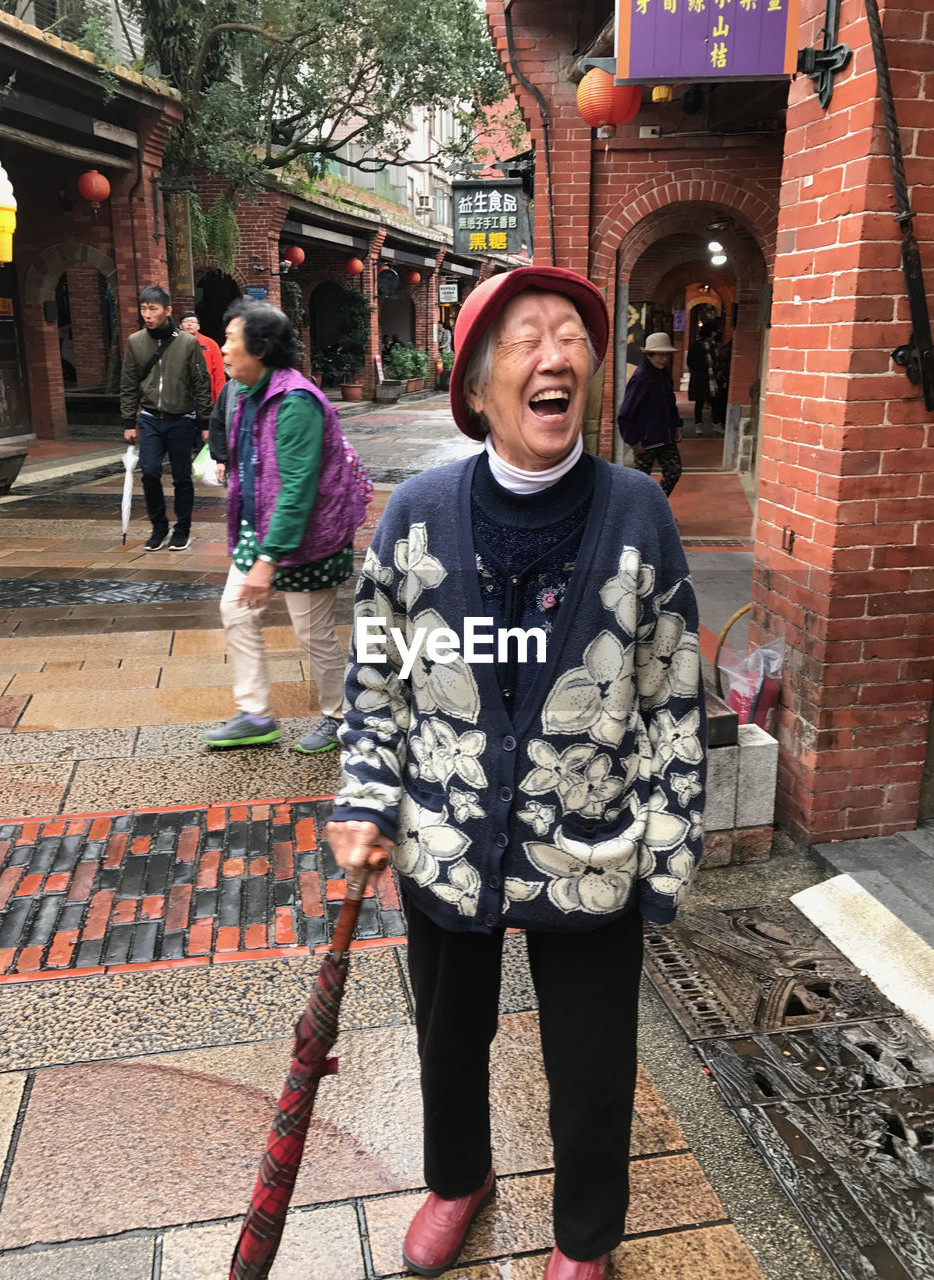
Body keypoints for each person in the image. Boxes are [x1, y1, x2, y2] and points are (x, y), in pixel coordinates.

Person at [326, 266, 706, 1280]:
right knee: (450, 1030)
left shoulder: (636, 513)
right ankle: (459, 1177)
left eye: (573, 334)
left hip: (591, 846)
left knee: (591, 1059)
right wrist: (366, 793)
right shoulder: (417, 514)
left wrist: (668, 850)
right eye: (526, 337)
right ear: (479, 387)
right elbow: (378, 674)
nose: (557, 354)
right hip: (445, 837)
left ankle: (584, 1237)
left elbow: (672, 690)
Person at [203, 300, 365, 753]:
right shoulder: (245, 393)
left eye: (232, 339)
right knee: (236, 611)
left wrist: (267, 562)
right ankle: (254, 714)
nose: (225, 349)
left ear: (261, 348)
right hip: (261, 527)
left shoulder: (296, 402)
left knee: (313, 633)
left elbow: (297, 487)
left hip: (311, 536)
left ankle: (338, 716)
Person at [120, 285, 213, 551]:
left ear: (167, 310)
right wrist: (129, 421)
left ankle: (182, 529)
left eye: (153, 309)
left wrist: (204, 423)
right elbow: (128, 383)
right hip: (150, 418)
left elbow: (201, 383)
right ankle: (158, 526)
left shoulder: (187, 342)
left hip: (182, 419)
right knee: (149, 472)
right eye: (144, 309)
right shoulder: (136, 342)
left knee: (182, 477)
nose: (147, 315)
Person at [617, 332, 685, 498]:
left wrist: (674, 426)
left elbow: (670, 404)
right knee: (640, 483)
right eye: (660, 355)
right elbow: (624, 415)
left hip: (666, 437)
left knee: (673, 471)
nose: (664, 359)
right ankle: (637, 518)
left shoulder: (663, 375)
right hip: (645, 443)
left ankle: (657, 509)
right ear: (649, 355)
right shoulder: (641, 378)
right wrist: (634, 442)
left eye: (666, 355)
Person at [180, 310, 226, 401]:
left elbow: (219, 372)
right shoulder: (175, 344)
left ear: (198, 326)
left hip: (206, 395)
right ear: (180, 326)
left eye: (192, 322)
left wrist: (220, 399)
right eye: (185, 322)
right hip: (182, 396)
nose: (189, 324)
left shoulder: (210, 344)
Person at [685, 325, 718, 435]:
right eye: (713, 331)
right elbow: (690, 363)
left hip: (712, 378)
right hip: (700, 378)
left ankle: (715, 423)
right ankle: (698, 425)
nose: (715, 334)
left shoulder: (713, 346)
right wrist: (705, 364)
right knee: (699, 402)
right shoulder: (696, 346)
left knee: (714, 401)